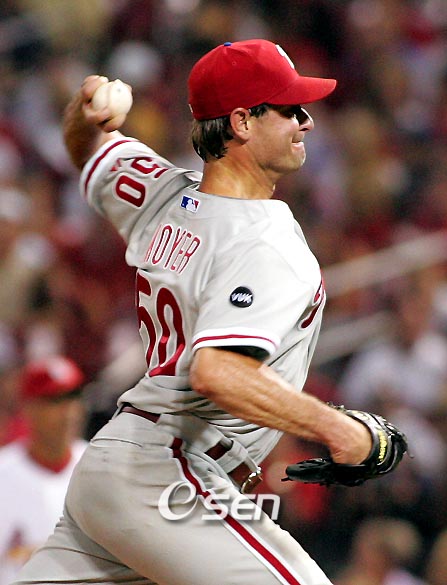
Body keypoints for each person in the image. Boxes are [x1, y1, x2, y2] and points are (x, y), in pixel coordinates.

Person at [14, 39, 374, 585]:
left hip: (115, 467)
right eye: (289, 108)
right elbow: (218, 372)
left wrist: (85, 112)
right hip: (169, 468)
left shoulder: (161, 192)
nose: (306, 121)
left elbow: (86, 150)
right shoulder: (267, 241)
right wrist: (340, 429)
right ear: (242, 122)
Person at [0, 355, 86, 584]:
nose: (68, 412)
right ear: (28, 408)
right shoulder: (3, 474)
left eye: (73, 397)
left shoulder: (101, 466)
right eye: (54, 400)